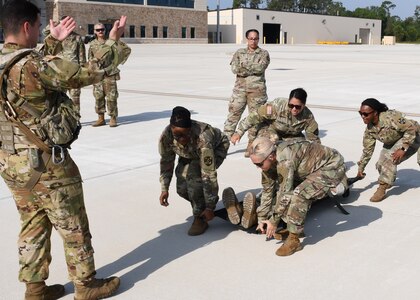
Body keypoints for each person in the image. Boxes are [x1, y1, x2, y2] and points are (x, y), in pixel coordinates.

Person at [0, 1, 130, 298]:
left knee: (32, 223)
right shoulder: (33, 66)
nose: (38, 31)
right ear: (26, 27)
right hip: (46, 164)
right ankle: (85, 285)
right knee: (72, 223)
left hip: (11, 163)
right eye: (38, 26)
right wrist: (112, 42)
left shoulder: (9, 61)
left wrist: (51, 40)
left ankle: (35, 290)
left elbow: (28, 67)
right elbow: (90, 71)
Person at [249, 137, 348, 256]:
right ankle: (292, 226)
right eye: (255, 164)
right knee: (281, 191)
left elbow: (286, 193)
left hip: (331, 166)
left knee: (299, 194)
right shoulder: (270, 159)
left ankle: (294, 239)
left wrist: (274, 221)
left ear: (270, 157)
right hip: (307, 169)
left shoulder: (285, 160)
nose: (258, 167)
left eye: (259, 164)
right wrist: (263, 218)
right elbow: (267, 190)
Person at [159, 106, 230, 236]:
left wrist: (210, 206)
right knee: (182, 189)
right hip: (189, 154)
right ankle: (201, 205)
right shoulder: (167, 135)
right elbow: (166, 162)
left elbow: (209, 175)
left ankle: (199, 218)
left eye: (184, 134)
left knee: (195, 180)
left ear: (190, 128)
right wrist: (165, 188)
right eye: (177, 135)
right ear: (171, 128)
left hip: (216, 148)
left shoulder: (203, 138)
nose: (181, 139)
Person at [357, 98, 420, 202]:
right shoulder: (370, 130)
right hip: (398, 140)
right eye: (361, 113)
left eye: (366, 114)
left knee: (392, 159)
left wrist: (403, 149)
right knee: (380, 164)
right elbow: (367, 150)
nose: (363, 116)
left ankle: (382, 188)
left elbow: (410, 129)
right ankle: (387, 181)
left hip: (416, 135)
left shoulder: (390, 118)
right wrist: (361, 168)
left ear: (375, 113)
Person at [224, 29, 270, 157]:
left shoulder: (264, 53)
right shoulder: (239, 53)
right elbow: (234, 69)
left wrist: (244, 68)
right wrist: (251, 68)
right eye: (251, 38)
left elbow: (260, 68)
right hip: (240, 90)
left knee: (255, 118)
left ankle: (251, 145)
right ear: (247, 39)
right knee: (233, 115)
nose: (253, 41)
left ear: (258, 39)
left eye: (255, 38)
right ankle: (224, 143)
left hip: (257, 92)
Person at [231, 87, 320, 145]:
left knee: (303, 147)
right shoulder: (277, 106)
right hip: (270, 130)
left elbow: (314, 141)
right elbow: (254, 117)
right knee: (270, 141)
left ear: (304, 105)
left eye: (297, 107)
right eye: (291, 105)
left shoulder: (308, 117)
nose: (294, 109)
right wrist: (238, 132)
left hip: (290, 136)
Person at [89, 22, 131, 127]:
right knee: (98, 96)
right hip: (98, 74)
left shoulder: (111, 42)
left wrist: (117, 38)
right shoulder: (92, 44)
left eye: (102, 29)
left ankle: (113, 118)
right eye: (98, 30)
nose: (100, 32)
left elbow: (125, 51)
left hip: (109, 73)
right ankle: (101, 118)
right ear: (94, 31)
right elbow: (90, 59)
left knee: (112, 97)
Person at [42, 16, 87, 112]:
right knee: (59, 98)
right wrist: (56, 23)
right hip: (59, 72)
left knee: (75, 99)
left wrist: (83, 71)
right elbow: (44, 32)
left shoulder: (77, 38)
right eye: (64, 23)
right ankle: (61, 120)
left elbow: (82, 56)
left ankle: (76, 119)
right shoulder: (56, 36)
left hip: (73, 72)